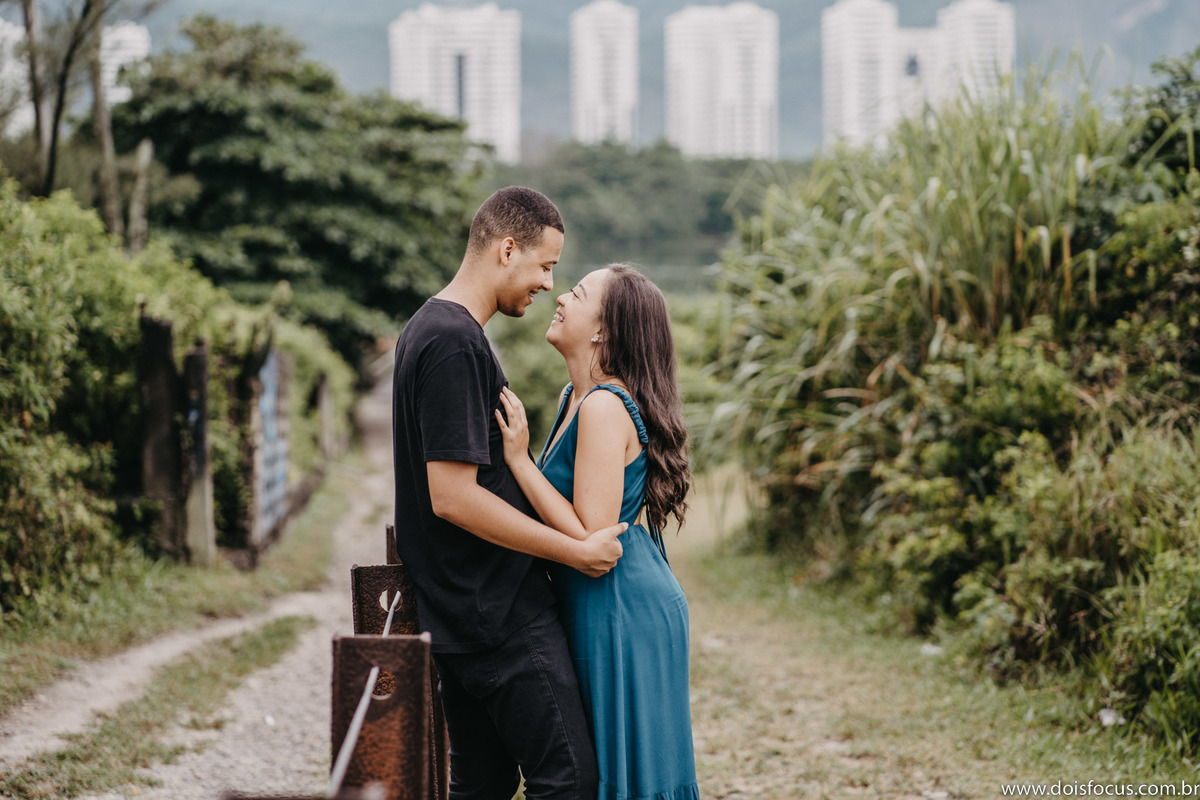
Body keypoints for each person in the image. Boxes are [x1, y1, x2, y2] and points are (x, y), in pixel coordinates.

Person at [391, 186, 627, 800]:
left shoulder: (435, 329)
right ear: (507, 248)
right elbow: (452, 496)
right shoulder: (451, 340)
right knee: (569, 781)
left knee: (483, 786)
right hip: (496, 614)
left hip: (466, 613)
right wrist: (571, 552)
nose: (548, 284)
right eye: (545, 266)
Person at [495, 264, 699, 800]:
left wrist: (520, 463)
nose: (560, 295)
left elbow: (592, 534)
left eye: (578, 292)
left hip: (620, 604)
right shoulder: (574, 398)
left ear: (602, 330)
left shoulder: (606, 406)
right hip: (597, 597)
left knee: (622, 767)